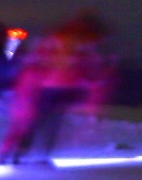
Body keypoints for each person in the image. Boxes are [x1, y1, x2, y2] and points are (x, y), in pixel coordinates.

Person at [0, 12, 114, 165]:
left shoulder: (60, 39)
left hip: (43, 85)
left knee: (33, 122)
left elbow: (26, 60)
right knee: (43, 123)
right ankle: (30, 155)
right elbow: (84, 69)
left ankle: (21, 154)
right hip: (51, 86)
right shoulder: (75, 41)